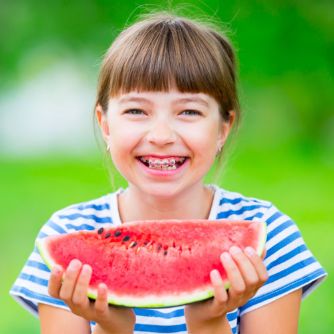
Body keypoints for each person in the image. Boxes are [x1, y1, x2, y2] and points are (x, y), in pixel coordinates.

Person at [10, 11, 326, 334]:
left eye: (189, 111)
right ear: (105, 125)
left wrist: (208, 323)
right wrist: (112, 328)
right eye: (136, 111)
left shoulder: (269, 238)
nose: (161, 136)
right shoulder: (65, 237)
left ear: (223, 127)